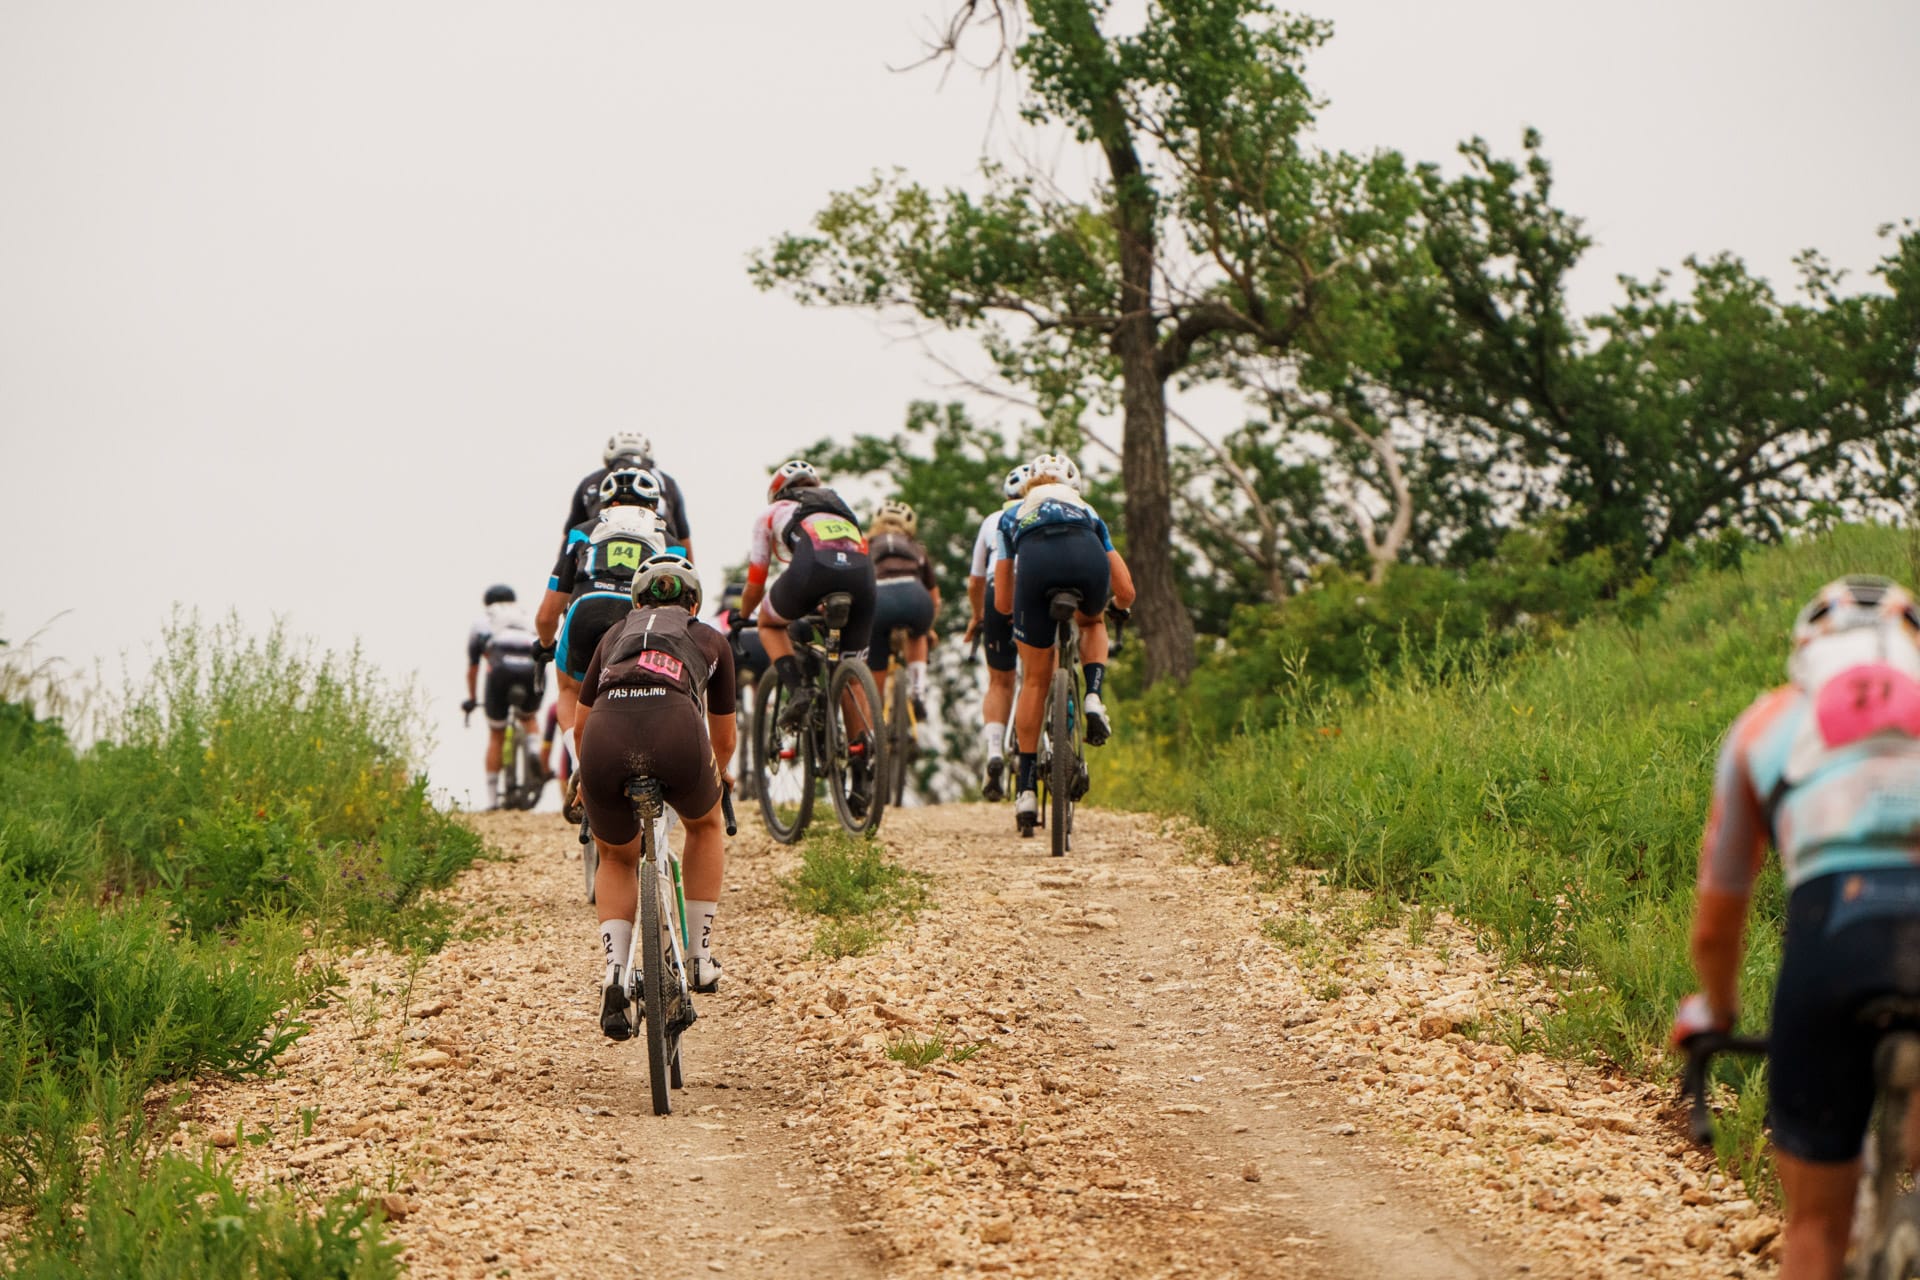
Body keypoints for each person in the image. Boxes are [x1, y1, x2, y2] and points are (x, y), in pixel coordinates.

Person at [1674, 575, 1920, 1280]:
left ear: (1806, 651)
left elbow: (1719, 916)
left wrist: (1714, 1012)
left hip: (1831, 950)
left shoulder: (1763, 725)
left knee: (1813, 1229)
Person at [574, 554, 737, 1039]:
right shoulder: (709, 637)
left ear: (637, 602)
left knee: (617, 858)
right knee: (704, 826)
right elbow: (723, 739)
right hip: (676, 731)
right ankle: (698, 958)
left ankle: (615, 972)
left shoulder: (612, 637)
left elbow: (581, 725)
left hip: (604, 737)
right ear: (694, 602)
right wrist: (719, 777)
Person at [993, 454, 1136, 833]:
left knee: (1036, 681)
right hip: (1086, 560)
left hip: (1036, 568)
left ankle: (1024, 788)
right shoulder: (1086, 510)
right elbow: (1126, 590)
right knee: (1091, 622)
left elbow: (1003, 602)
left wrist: (1020, 611)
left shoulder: (1012, 514)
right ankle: (1093, 696)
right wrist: (1118, 609)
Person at [737, 460, 879, 811]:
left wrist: (743, 617)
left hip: (812, 571)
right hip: (862, 578)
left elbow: (757, 578)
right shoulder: (839, 508)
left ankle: (799, 689)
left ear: (777, 493)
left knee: (770, 623)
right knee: (853, 677)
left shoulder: (774, 512)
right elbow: (846, 555)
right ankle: (862, 772)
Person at [537, 470, 669, 813]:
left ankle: (581, 761)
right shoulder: (666, 533)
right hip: (640, 617)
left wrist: (545, 645)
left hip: (586, 611)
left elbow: (549, 612)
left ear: (606, 502)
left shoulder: (583, 530)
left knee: (569, 692)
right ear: (653, 504)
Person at [965, 463, 1029, 799]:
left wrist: (977, 617)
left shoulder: (992, 521)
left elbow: (975, 579)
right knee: (1035, 677)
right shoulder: (1045, 512)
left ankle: (994, 751)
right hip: (1034, 585)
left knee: (1000, 681)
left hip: (995, 588)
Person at [463, 585, 546, 810]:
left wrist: (471, 698)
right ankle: (533, 750)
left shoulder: (483, 621)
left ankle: (491, 800)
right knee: (528, 718)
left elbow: (473, 666)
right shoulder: (527, 616)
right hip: (532, 665)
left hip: (501, 668)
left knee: (497, 733)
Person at [561, 431, 694, 560]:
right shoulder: (667, 483)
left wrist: (562, 570)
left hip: (601, 551)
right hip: (659, 548)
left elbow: (568, 539)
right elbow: (683, 537)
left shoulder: (590, 482)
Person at [866, 499, 941, 722]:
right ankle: (918, 690)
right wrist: (929, 628)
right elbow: (934, 597)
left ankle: (875, 713)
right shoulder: (916, 548)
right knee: (918, 634)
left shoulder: (866, 544)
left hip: (880, 599)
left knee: (875, 654)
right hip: (915, 595)